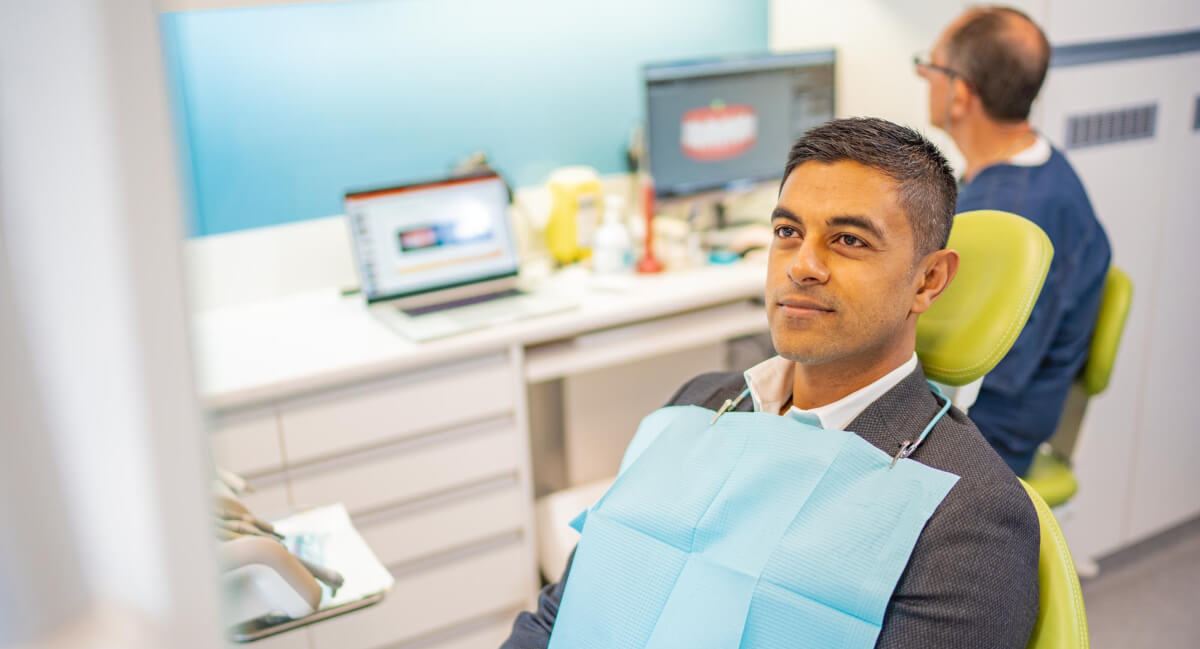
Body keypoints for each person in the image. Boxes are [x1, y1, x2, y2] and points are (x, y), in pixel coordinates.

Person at [501, 118, 1038, 649]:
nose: (802, 265)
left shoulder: (968, 513)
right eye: (787, 232)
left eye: (848, 240)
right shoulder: (699, 405)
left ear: (929, 279)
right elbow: (560, 614)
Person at [916, 6, 1112, 475]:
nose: (924, 76)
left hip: (990, 438)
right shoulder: (1041, 169)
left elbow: (987, 369)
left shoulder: (1008, 217)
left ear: (960, 94)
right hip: (1007, 413)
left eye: (931, 66)